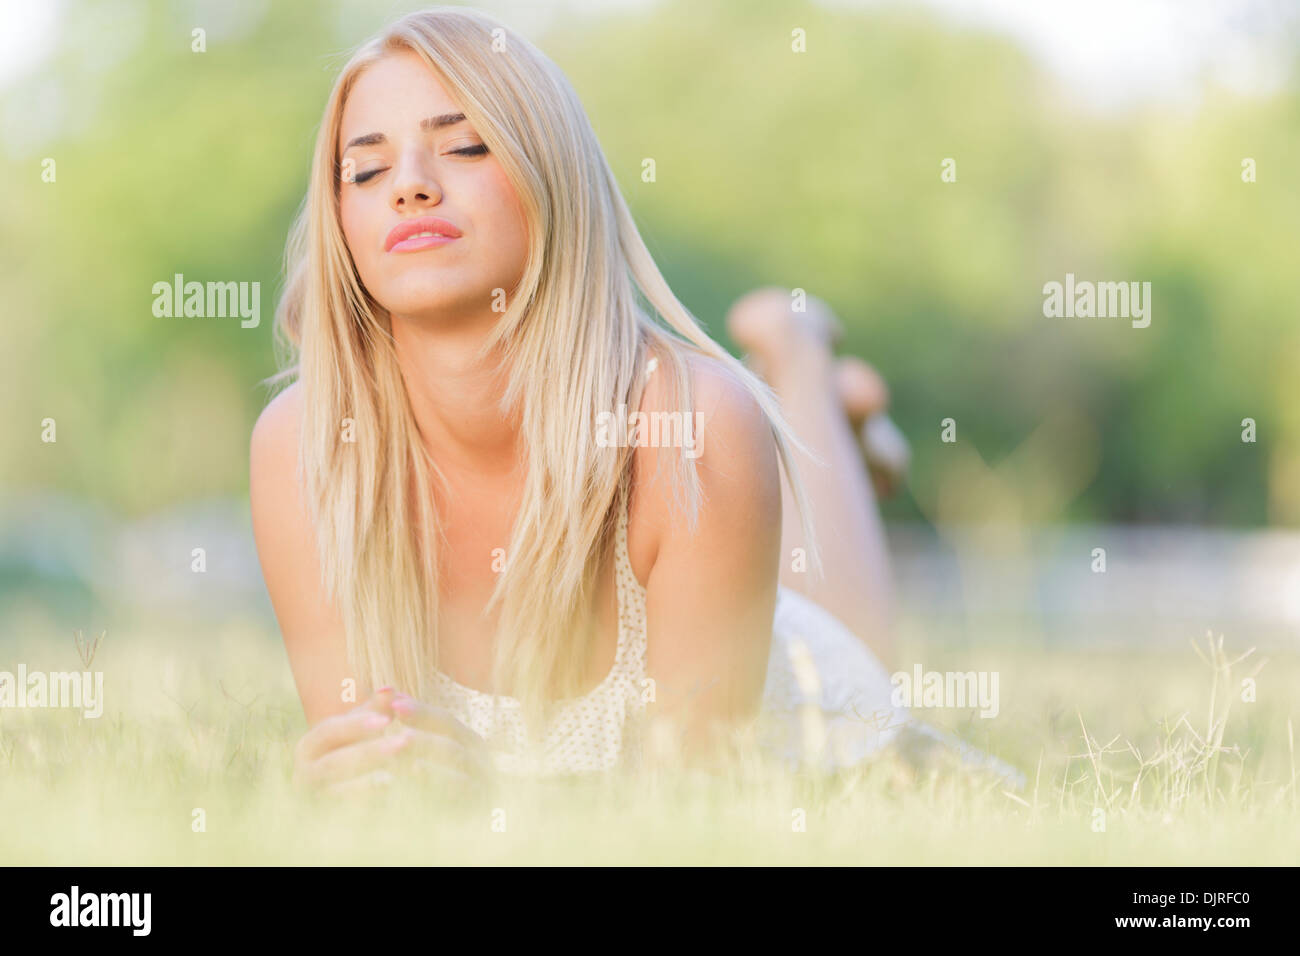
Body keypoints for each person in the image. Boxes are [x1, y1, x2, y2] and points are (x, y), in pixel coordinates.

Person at [249, 6, 1021, 794]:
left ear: (553, 177)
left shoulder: (695, 426)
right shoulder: (302, 446)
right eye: (367, 169)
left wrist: (494, 802)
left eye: (464, 145)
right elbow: (372, 773)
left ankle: (801, 361)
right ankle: (818, 402)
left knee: (845, 657)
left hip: (791, 730)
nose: (410, 184)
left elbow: (694, 801)